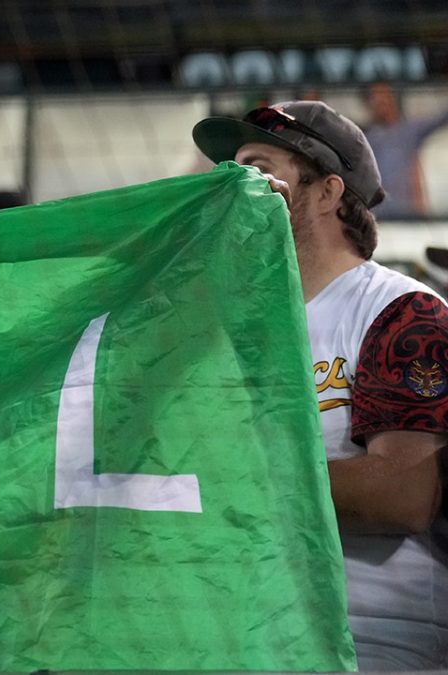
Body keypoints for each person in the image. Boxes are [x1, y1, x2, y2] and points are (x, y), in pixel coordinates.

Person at [193, 101, 448, 671]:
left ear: (329, 192)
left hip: (373, 640)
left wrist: (227, 477)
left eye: (258, 167)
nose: (235, 185)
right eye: (228, 169)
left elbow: (405, 495)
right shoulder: (222, 327)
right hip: (240, 633)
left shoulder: (401, 312)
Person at [363, 82, 448, 220]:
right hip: (380, 218)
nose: (382, 102)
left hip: (410, 214)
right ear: (369, 105)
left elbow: (440, 119)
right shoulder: (365, 138)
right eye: (376, 98)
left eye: (385, 96)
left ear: (393, 99)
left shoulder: (409, 130)